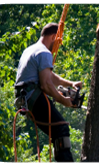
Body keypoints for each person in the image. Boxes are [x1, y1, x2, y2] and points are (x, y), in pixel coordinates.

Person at [14, 23, 82, 163]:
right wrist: (63, 100)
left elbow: (49, 76)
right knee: (61, 127)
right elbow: (45, 84)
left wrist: (70, 84)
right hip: (33, 96)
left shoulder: (31, 50)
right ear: (53, 37)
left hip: (26, 98)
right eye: (58, 41)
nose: (58, 45)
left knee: (57, 132)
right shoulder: (44, 52)